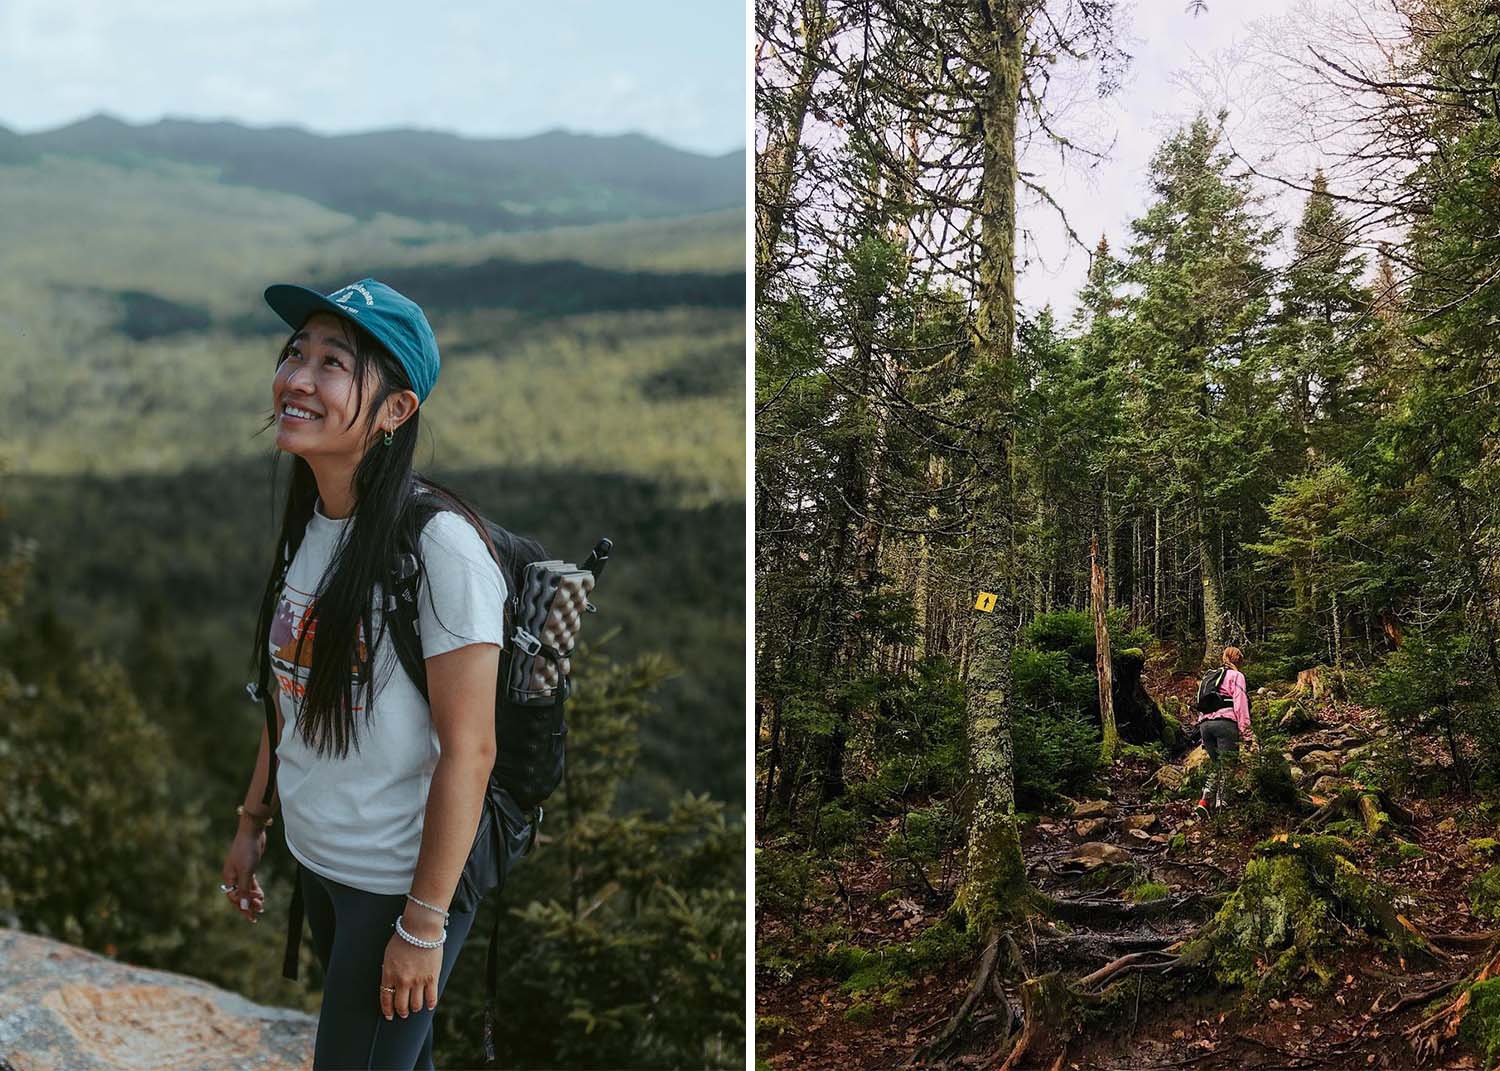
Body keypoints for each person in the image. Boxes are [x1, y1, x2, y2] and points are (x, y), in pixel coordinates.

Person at [218, 278, 506, 1070]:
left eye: (333, 363)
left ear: (394, 411)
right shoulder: (311, 528)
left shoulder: (442, 551)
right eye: (295, 353)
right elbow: (291, 699)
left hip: (395, 886)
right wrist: (253, 823)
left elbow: (470, 752)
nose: (298, 379)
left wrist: (421, 924)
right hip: (322, 866)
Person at [1195, 645, 1255, 820]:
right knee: (1228, 764)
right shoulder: (1237, 676)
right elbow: (1241, 705)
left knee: (1216, 764)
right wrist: (1247, 734)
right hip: (1225, 724)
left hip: (1205, 725)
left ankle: (1205, 802)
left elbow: (1202, 705)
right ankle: (1223, 806)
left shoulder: (1210, 677)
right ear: (1238, 661)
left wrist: (1202, 739)